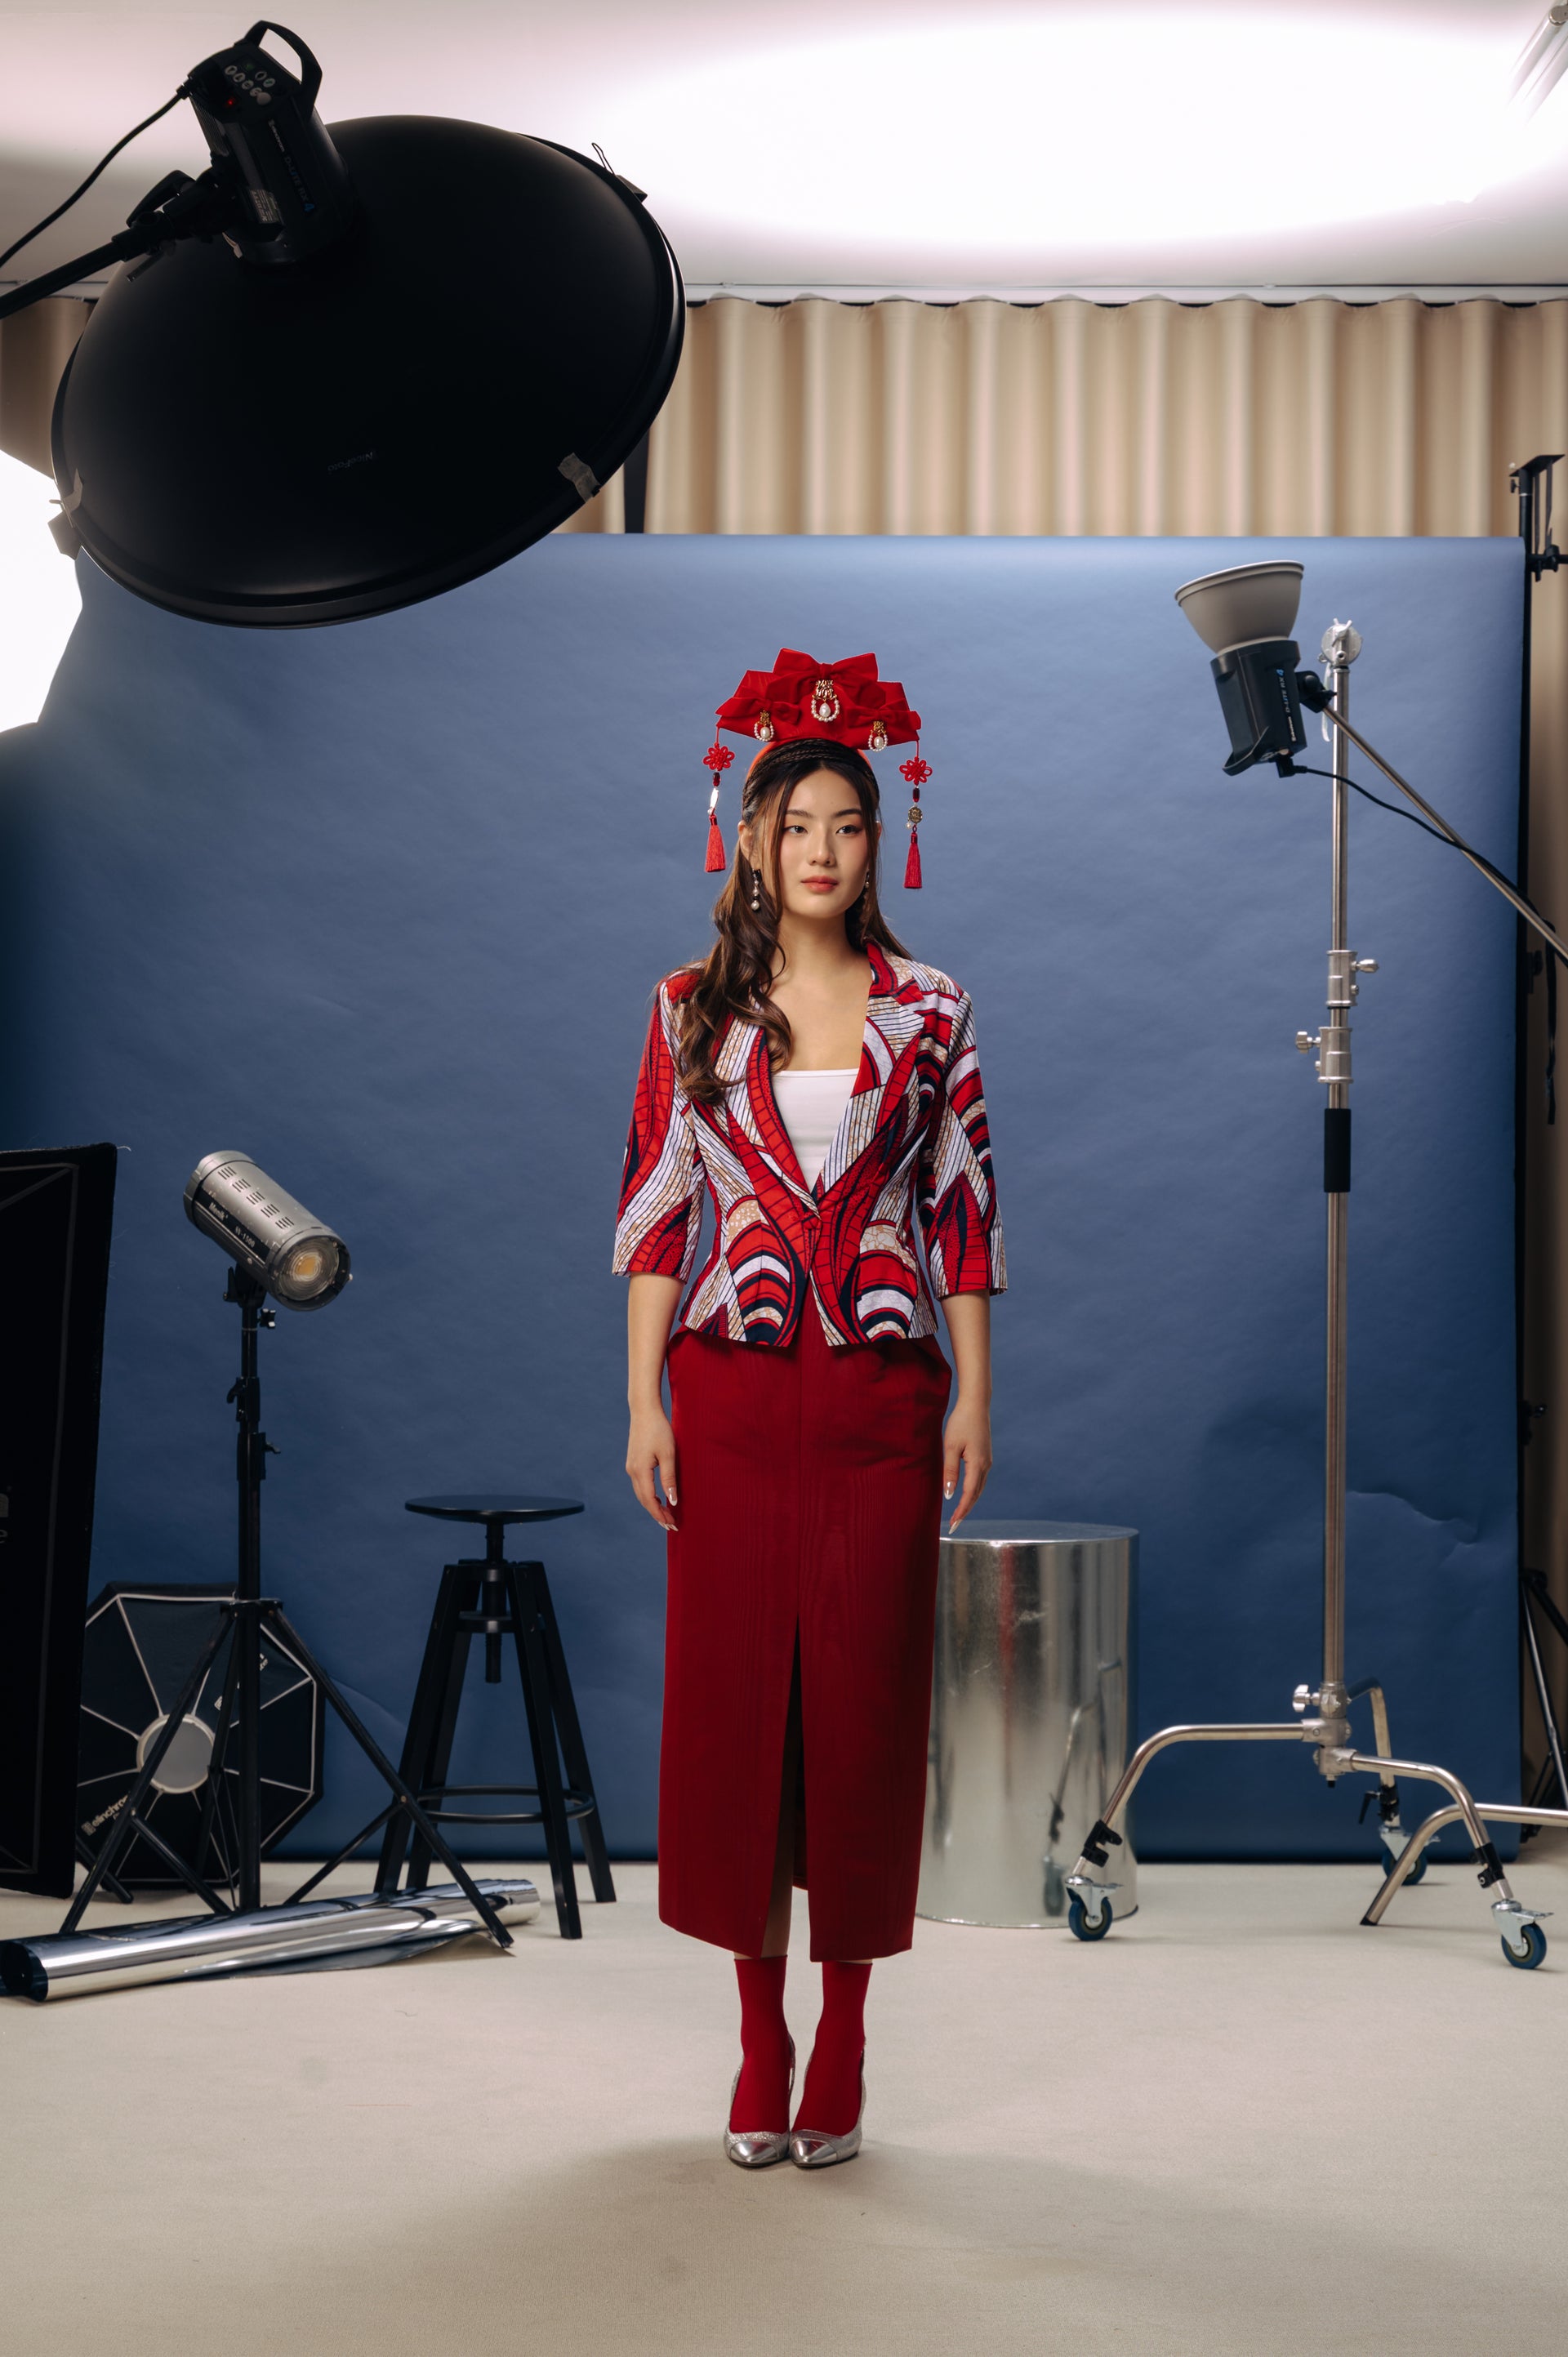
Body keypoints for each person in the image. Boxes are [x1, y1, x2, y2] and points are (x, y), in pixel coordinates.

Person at [612, 648, 1005, 2169]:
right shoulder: (687, 1009)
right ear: (753, 840)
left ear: (877, 839)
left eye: (847, 823)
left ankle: (843, 2029)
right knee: (736, 1717)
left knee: (859, 1705)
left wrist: (974, 1393)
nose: (823, 850)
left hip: (880, 1397)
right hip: (728, 1388)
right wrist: (642, 1398)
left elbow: (964, 1209)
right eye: (797, 826)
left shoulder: (932, 1007)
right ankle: (757, 2033)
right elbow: (658, 1209)